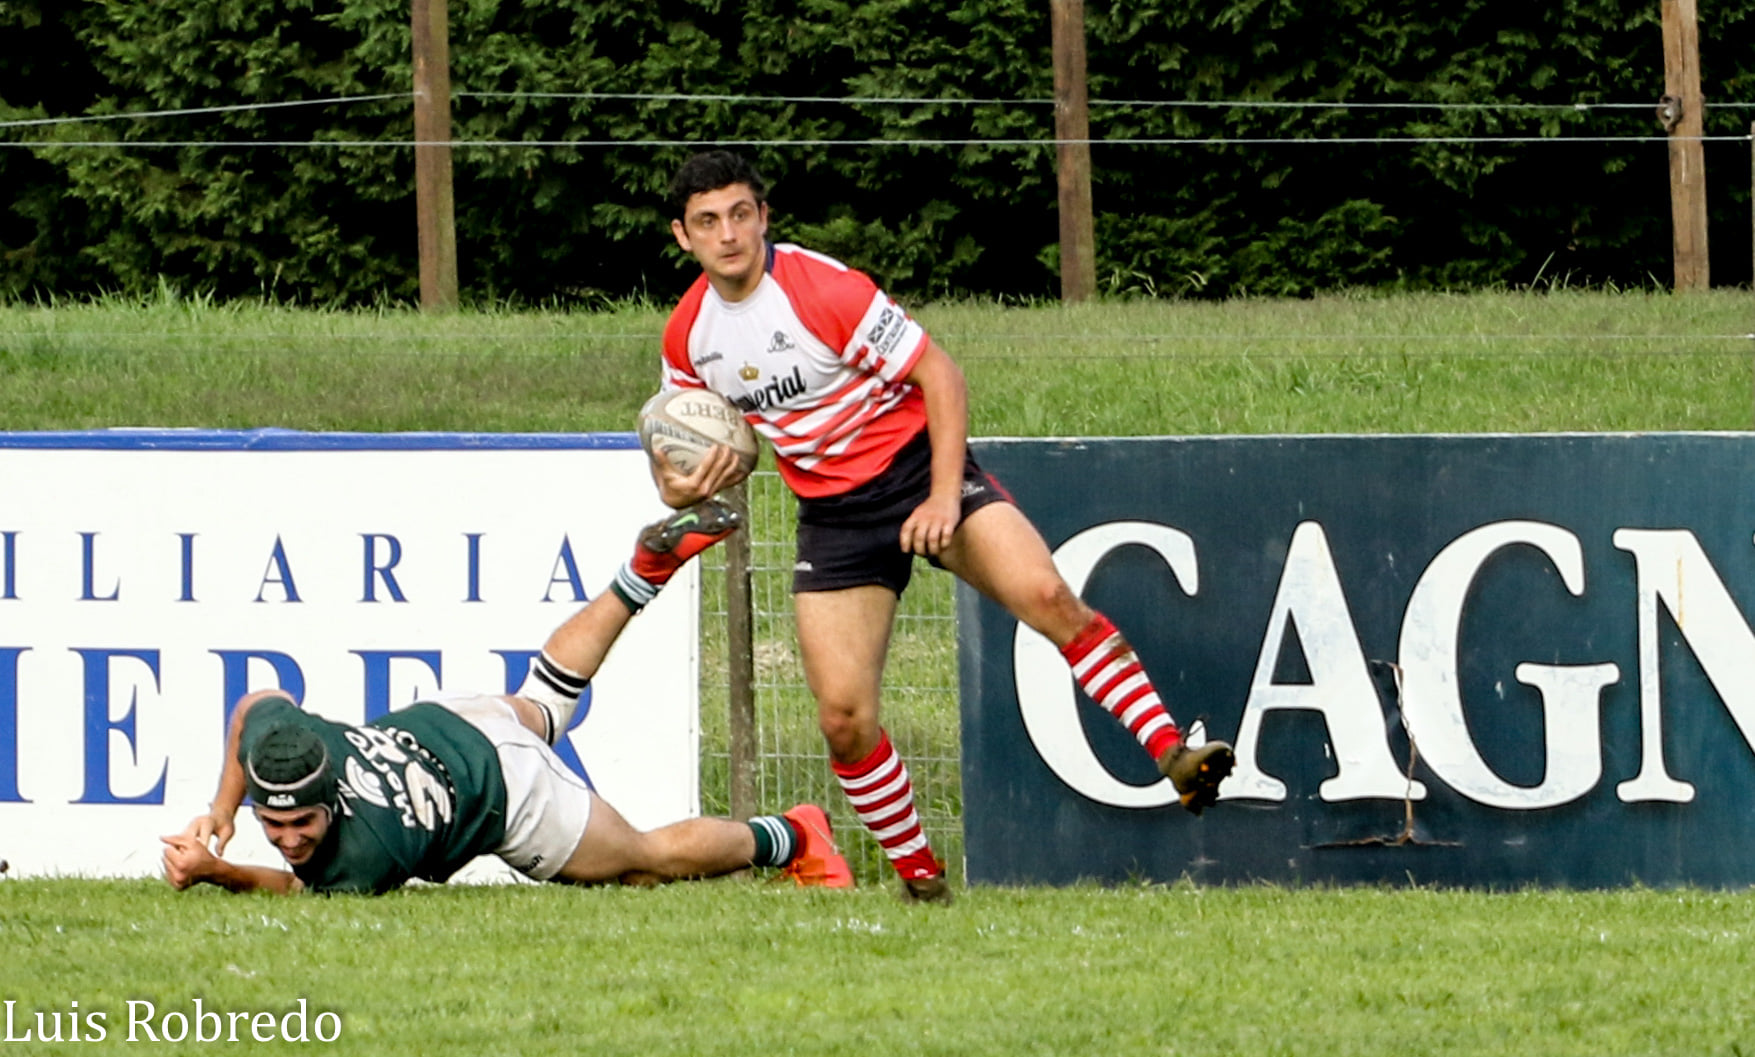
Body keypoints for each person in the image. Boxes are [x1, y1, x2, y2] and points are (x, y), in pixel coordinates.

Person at [649, 150, 1236, 905]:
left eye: (739, 213)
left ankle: (1173, 754)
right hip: (833, 516)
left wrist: (938, 497)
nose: (727, 233)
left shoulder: (823, 288)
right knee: (843, 719)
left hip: (916, 467)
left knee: (1047, 595)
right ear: (682, 236)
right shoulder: (687, 336)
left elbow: (940, 375)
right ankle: (923, 884)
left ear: (762, 217)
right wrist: (686, 478)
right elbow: (725, 438)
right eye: (707, 221)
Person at [161, 500, 854, 896]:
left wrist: (218, 868)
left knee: (644, 862)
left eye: (301, 824)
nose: (287, 840)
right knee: (545, 699)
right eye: (272, 825)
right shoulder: (283, 745)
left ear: (332, 798)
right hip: (451, 723)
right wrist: (221, 810)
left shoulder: (361, 855)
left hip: (507, 792)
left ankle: (794, 834)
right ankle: (639, 575)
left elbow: (298, 899)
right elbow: (255, 703)